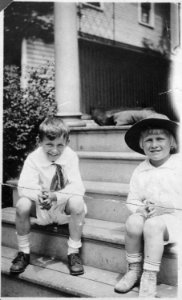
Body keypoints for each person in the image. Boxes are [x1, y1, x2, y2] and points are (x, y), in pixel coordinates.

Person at [114, 114, 182, 297]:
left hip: (176, 219)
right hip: (152, 215)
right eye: (148, 140)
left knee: (153, 225)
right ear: (142, 145)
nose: (154, 144)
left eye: (160, 139)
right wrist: (139, 209)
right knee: (133, 222)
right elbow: (133, 198)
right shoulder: (141, 170)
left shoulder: (179, 165)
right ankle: (134, 269)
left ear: (173, 143)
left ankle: (150, 275)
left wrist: (167, 208)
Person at [10, 116, 86, 276]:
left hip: (62, 206)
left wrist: (56, 196)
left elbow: (77, 187)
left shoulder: (71, 156)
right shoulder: (33, 158)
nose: (55, 150)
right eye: (49, 144)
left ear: (67, 142)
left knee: (78, 202)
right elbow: (23, 186)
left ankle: (73, 252)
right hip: (41, 206)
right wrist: (40, 195)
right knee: (22, 204)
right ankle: (24, 252)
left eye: (60, 145)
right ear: (40, 141)